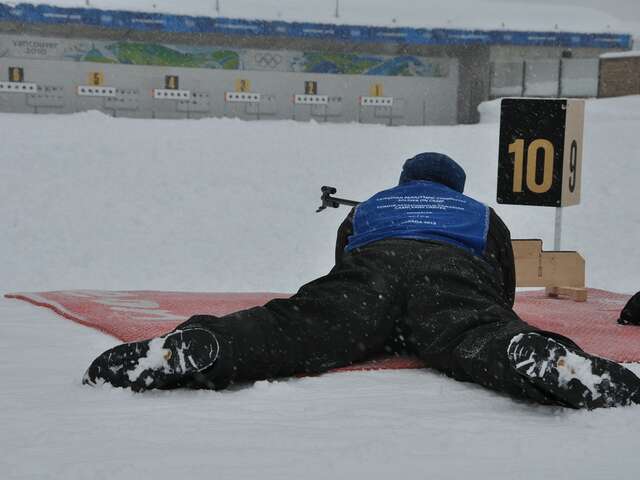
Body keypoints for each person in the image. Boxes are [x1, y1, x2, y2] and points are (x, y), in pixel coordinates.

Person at [83, 152, 640, 409]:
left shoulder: (374, 205)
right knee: (479, 335)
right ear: (457, 184)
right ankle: (529, 354)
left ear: (406, 180)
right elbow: (502, 280)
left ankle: (210, 346)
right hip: (451, 277)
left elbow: (341, 262)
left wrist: (352, 306)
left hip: (370, 277)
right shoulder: (476, 212)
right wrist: (484, 311)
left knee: (294, 328)